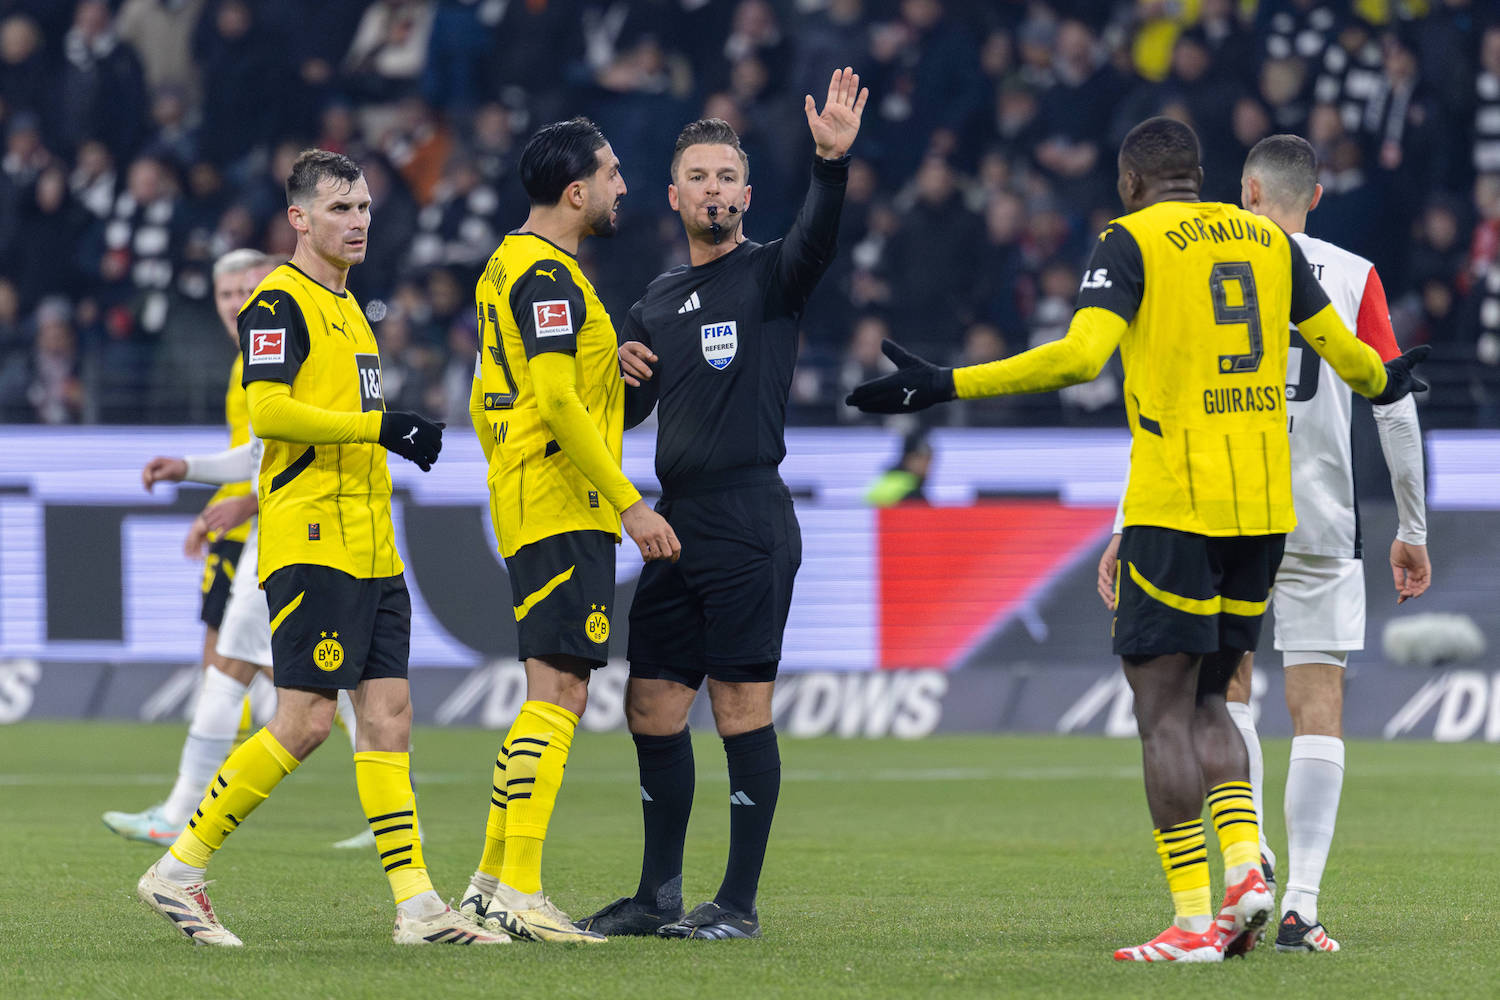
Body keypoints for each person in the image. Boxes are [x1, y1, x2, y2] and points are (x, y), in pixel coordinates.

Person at [847, 117, 1427, 962]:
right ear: (1203, 176)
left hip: (1178, 503)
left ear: (1130, 184)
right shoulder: (1270, 245)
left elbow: (1083, 359)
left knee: (1164, 708)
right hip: (1266, 513)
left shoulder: (1129, 240)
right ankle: (1249, 875)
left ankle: (1195, 921)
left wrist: (946, 384)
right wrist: (1386, 377)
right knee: (1216, 695)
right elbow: (1342, 351)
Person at [136, 148, 505, 947]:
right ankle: (178, 870)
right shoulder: (280, 302)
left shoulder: (350, 309)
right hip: (311, 541)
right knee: (303, 722)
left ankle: (417, 909)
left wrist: (386, 430)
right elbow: (269, 414)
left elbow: (331, 418)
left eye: (366, 207)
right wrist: (382, 425)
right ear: (299, 219)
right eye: (341, 208)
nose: (360, 220)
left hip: (372, 545)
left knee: (390, 718)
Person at [1095, 133, 1431, 955]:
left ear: (1245, 191)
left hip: (1220, 505)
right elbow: (1391, 401)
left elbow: (1162, 397)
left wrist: (1122, 522)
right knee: (1319, 705)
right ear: (1314, 196)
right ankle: (1301, 905)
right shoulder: (1353, 276)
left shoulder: (1192, 258)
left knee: (1222, 694)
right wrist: (1412, 527)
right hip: (1320, 516)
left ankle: (1249, 872)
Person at [575, 67, 868, 942]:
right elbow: (623, 417)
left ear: (747, 194)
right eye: (698, 177)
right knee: (652, 710)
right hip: (676, 521)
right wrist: (613, 379)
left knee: (741, 708)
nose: (713, 189)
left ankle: (736, 905)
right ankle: (656, 894)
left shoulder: (774, 274)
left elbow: (817, 240)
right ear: (673, 195)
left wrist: (830, 165)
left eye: (727, 177)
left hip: (748, 519)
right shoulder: (655, 303)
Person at [455, 118, 680, 944]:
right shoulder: (549, 276)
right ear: (576, 190)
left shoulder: (511, 267)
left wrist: (604, 368)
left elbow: (511, 392)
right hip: (561, 502)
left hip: (532, 495)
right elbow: (549, 401)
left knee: (546, 694)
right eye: (614, 173)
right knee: (560, 693)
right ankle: (518, 888)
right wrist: (630, 501)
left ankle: (488, 885)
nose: (624, 186)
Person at [102, 248, 274, 847]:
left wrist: (242, 503)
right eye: (227, 295)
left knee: (233, 669)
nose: (239, 305)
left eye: (248, 291)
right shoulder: (248, 359)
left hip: (288, 527)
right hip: (269, 522)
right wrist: (192, 470)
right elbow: (259, 453)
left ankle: (184, 814)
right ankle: (184, 809)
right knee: (314, 682)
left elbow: (300, 451)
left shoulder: (278, 350)